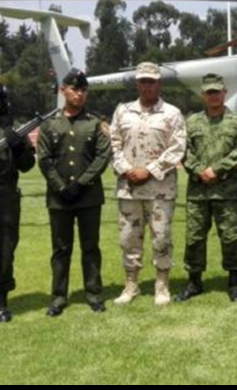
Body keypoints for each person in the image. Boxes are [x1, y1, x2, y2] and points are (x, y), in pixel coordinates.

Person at [110, 62, 187, 306]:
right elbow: (113, 144)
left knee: (161, 237)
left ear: (159, 84)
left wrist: (149, 170)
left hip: (160, 190)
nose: (147, 85)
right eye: (143, 81)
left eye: (151, 81)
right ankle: (131, 284)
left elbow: (177, 149)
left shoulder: (172, 113)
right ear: (137, 83)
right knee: (128, 238)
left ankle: (161, 284)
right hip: (129, 188)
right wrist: (127, 169)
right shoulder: (123, 112)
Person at [37, 69, 112, 316]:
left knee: (91, 246)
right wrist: (60, 186)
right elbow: (45, 159)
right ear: (63, 90)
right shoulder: (50, 124)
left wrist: (81, 183)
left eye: (83, 90)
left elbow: (103, 156)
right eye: (74, 89)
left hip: (88, 196)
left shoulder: (94, 123)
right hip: (59, 199)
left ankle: (93, 293)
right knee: (60, 248)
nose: (79, 94)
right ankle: (59, 296)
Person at [178, 74, 237, 303]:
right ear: (203, 95)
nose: (213, 96)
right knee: (194, 238)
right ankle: (194, 282)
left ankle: (235, 281)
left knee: (230, 237)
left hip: (227, 191)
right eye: (209, 92)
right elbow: (183, 151)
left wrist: (217, 170)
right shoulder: (192, 122)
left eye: (217, 91)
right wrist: (200, 170)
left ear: (224, 92)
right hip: (199, 192)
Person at [0, 85, 35, 323]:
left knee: (4, 250)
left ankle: (1, 302)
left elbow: (27, 165)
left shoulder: (12, 132)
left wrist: (19, 146)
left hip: (6, 197)